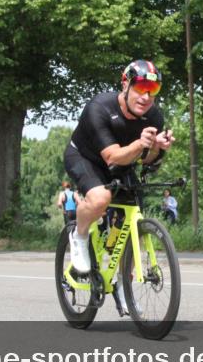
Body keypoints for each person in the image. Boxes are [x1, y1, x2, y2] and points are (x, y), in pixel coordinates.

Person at [64, 60, 174, 314]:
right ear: (125, 84)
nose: (146, 96)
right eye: (141, 88)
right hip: (86, 158)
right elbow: (112, 156)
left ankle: (123, 282)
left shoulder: (154, 116)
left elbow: (146, 159)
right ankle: (79, 236)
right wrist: (140, 145)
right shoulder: (99, 108)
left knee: (134, 218)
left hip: (122, 165)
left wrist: (157, 147)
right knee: (100, 199)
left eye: (153, 90)